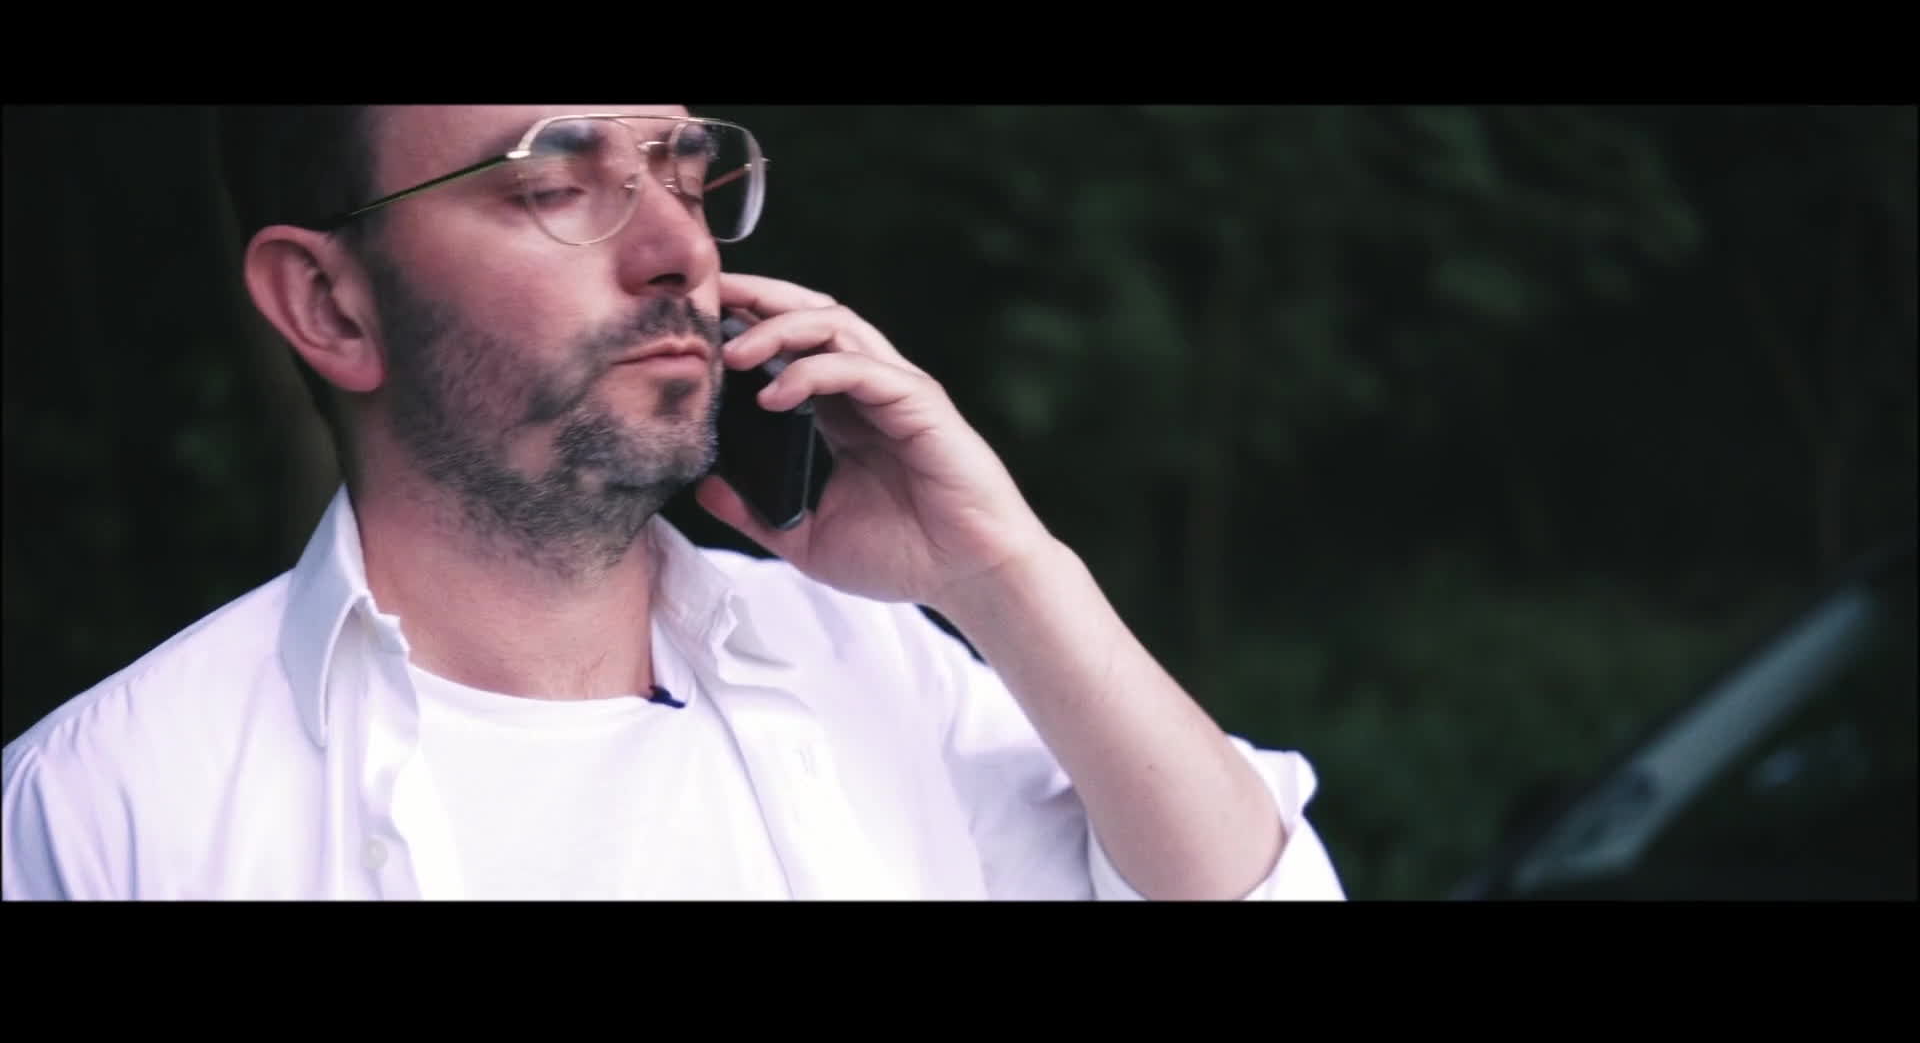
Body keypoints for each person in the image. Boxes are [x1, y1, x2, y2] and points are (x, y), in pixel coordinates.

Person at [1, 105, 1346, 901]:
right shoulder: (112, 801)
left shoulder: (864, 661)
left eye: (688, 178)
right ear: (330, 303)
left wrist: (1000, 573)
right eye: (553, 187)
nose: (677, 250)